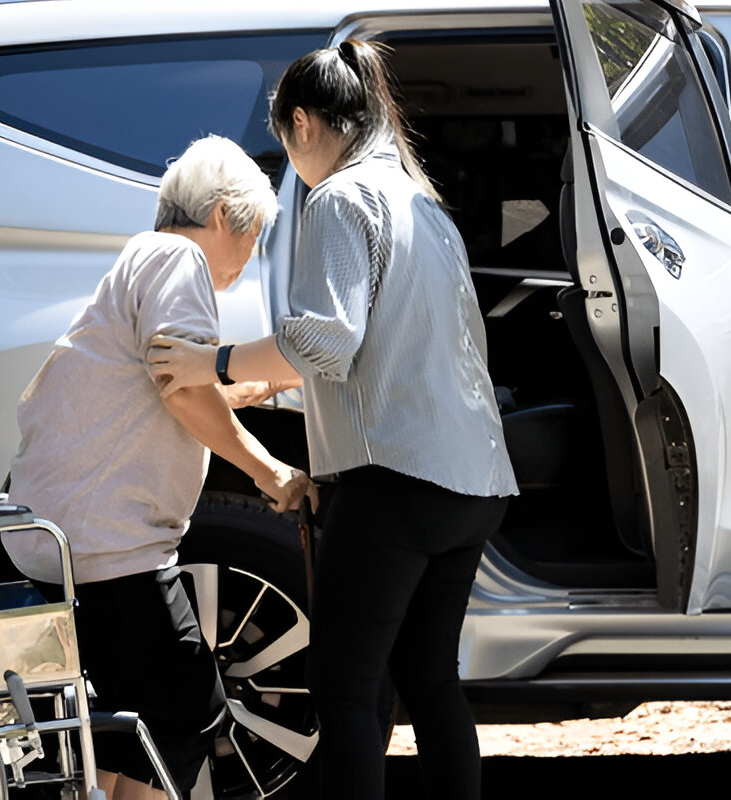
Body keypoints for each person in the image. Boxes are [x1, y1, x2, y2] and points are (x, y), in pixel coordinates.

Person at [147, 41, 517, 800]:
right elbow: (394, 352)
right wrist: (272, 389)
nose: (290, 163)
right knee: (430, 678)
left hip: (394, 483)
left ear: (305, 124)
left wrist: (211, 363)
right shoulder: (424, 205)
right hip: (473, 480)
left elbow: (325, 337)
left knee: (344, 686)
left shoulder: (342, 199)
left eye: (284, 141)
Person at [3, 135, 313, 800]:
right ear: (226, 215)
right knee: (186, 714)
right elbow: (181, 392)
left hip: (72, 538)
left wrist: (247, 390)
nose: (250, 259)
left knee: (127, 731)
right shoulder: (178, 258)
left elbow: (161, 382)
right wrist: (271, 471)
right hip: (110, 546)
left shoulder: (142, 258)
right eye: (255, 236)